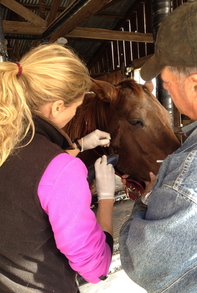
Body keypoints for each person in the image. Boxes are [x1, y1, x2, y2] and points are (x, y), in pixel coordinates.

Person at [119, 0, 197, 292]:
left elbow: (144, 265)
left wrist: (147, 199)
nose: (169, 91)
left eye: (167, 82)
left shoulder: (194, 177)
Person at [0, 43, 116, 293]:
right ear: (57, 107)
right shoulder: (63, 170)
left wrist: (80, 144)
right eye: (75, 109)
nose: (74, 116)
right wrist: (107, 199)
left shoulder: (6, 137)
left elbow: (30, 167)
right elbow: (95, 268)